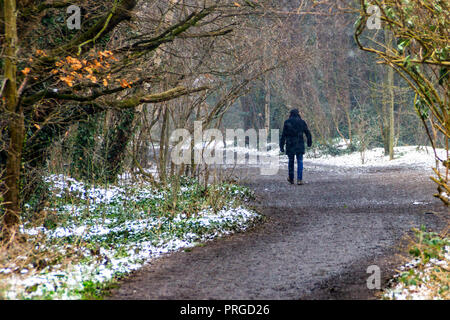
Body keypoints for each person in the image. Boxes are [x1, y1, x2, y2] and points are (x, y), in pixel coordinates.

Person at [279, 109, 312, 185]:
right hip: (299, 144)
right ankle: (299, 179)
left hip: (290, 144)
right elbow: (307, 133)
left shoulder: (287, 122)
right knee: (300, 161)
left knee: (291, 161)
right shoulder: (302, 122)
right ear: (298, 114)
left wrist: (281, 145)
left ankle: (291, 178)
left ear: (291, 114)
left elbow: (284, 135)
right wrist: (309, 142)